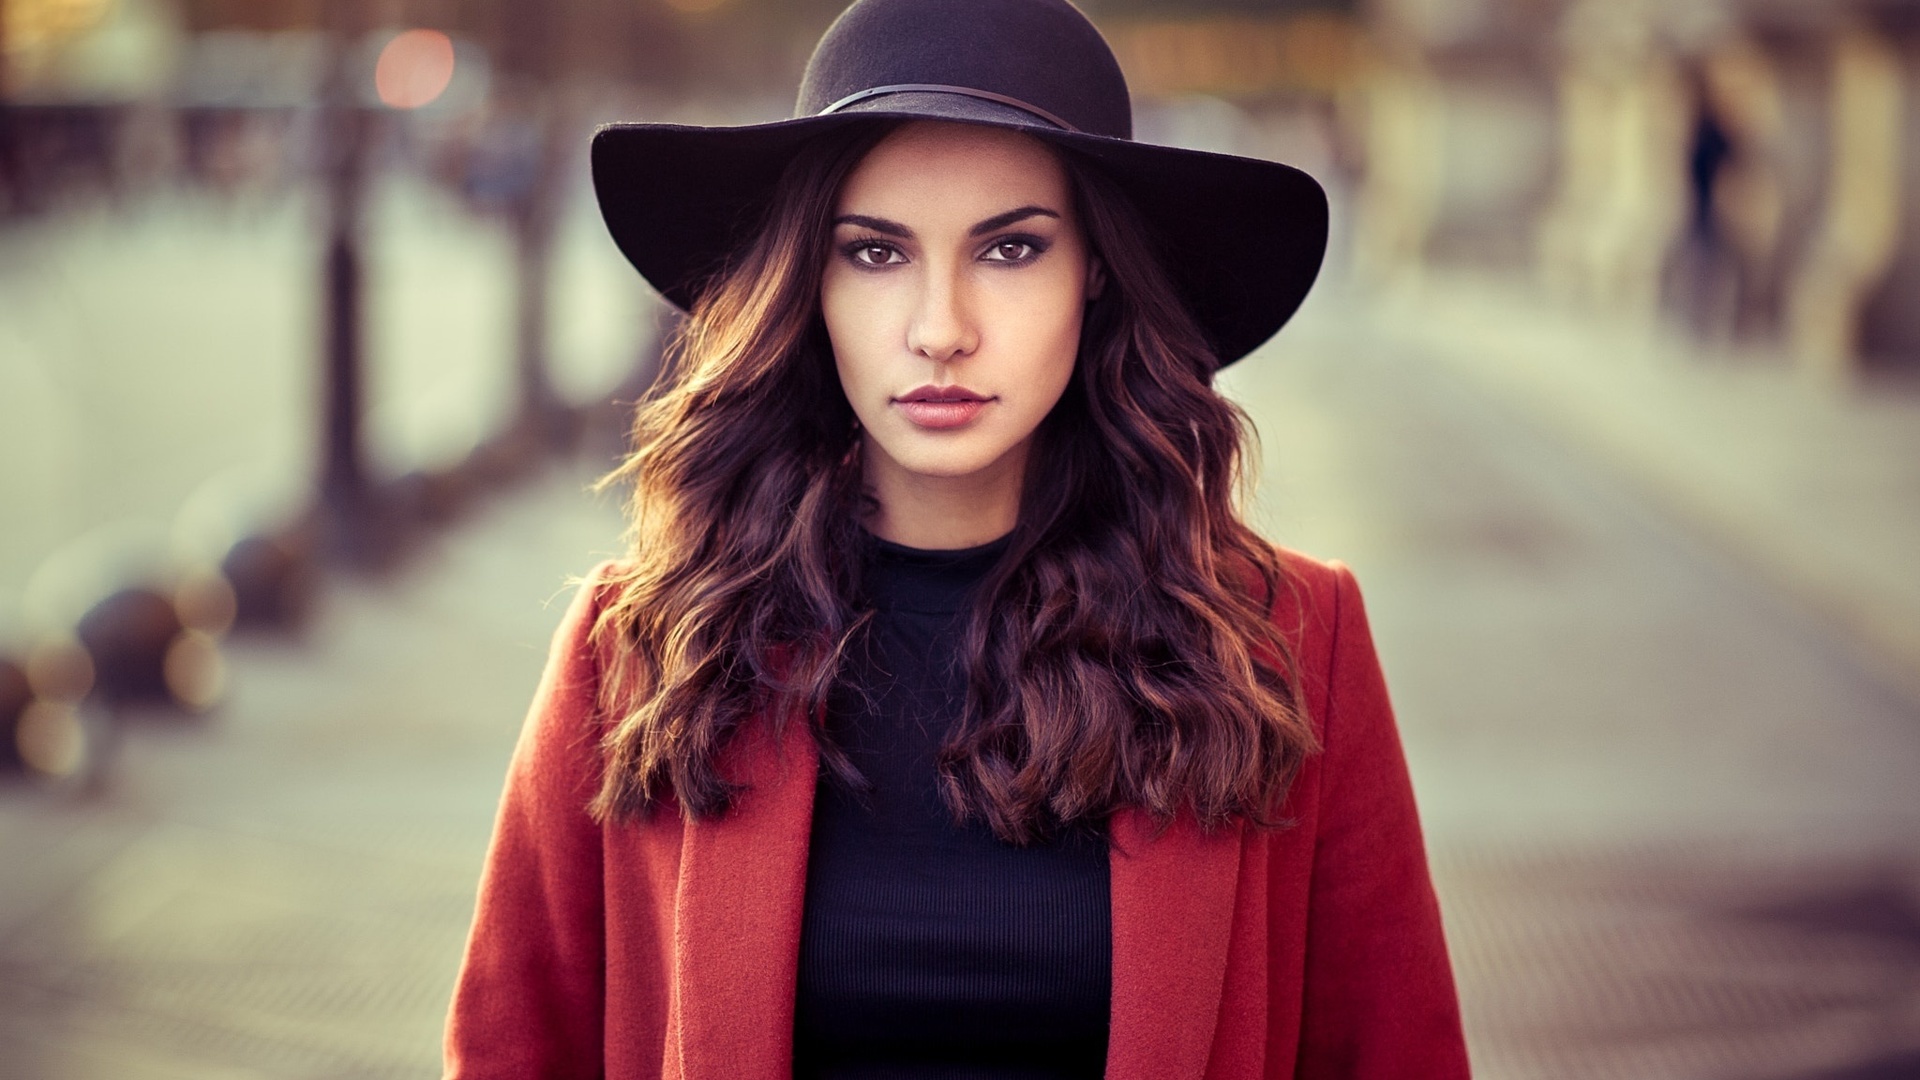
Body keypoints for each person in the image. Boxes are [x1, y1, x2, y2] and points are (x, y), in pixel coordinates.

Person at [444, 0, 1469, 1077]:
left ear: (1097, 274)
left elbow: (1395, 1052)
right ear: (812, 285)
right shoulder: (644, 648)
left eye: (1012, 248)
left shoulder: (1292, 646)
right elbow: (514, 1051)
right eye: (877, 252)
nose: (941, 327)